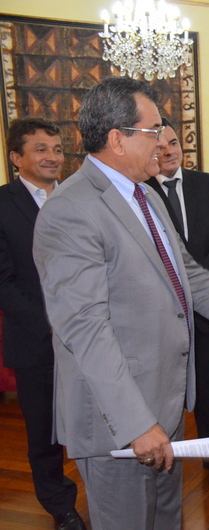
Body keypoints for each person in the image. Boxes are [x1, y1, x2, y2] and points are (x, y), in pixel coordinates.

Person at [31, 76, 209, 529]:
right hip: (119, 420)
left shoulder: (146, 195)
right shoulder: (71, 210)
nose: (163, 141)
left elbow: (189, 275)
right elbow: (85, 330)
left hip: (166, 401)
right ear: (118, 140)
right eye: (153, 130)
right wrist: (136, 423)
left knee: (166, 520)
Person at [0, 118, 86, 530]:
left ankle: (104, 487)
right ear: (16, 158)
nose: (52, 157)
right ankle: (60, 506)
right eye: (40, 149)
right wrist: (52, 324)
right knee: (46, 435)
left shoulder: (79, 198)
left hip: (92, 336)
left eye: (56, 148)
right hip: (38, 340)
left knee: (94, 418)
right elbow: (3, 282)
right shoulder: (2, 204)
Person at [147, 117, 209, 482]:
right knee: (161, 391)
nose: (168, 151)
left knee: (208, 389)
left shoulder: (207, 184)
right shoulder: (140, 191)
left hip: (203, 309)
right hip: (159, 311)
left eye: (172, 143)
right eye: (158, 146)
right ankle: (161, 462)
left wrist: (201, 282)